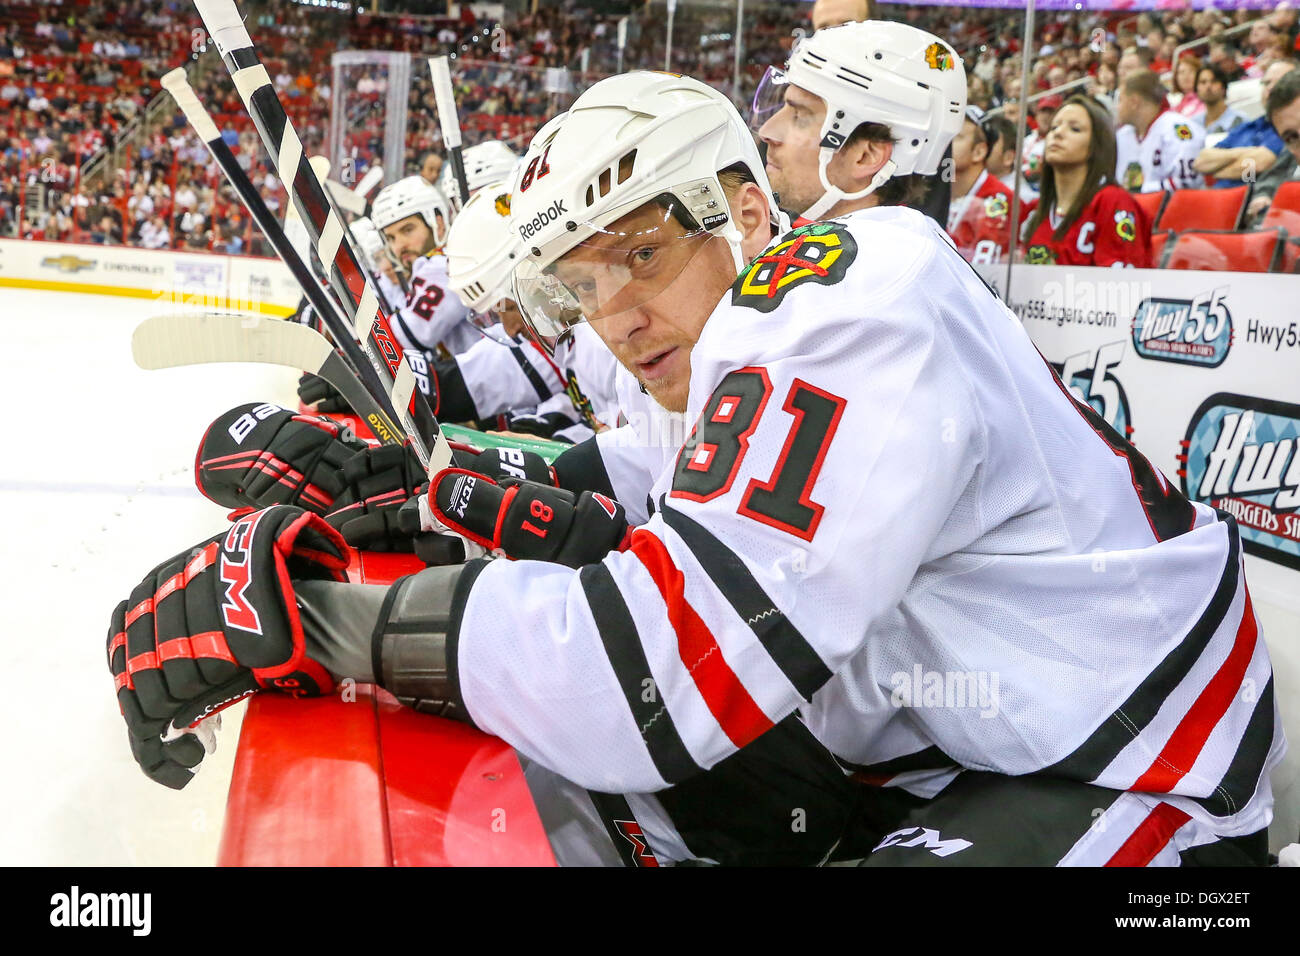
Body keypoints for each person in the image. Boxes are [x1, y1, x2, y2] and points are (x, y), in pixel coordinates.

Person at [110, 25, 1281, 867]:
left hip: (1130, 761)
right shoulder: (735, 331)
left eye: (644, 253)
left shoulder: (853, 283)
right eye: (585, 280)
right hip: (960, 737)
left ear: (745, 209)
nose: (614, 311)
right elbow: (626, 495)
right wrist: (410, 499)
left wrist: (324, 619)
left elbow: (663, 662)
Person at [1023, 95, 1153, 268]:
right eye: (1054, 127)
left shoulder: (1114, 202)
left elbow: (1122, 287)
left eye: (1075, 129)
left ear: (1096, 146)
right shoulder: (1035, 211)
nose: (1058, 133)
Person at [367, 174, 478, 357]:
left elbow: (403, 339)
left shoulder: (444, 265)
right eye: (391, 238)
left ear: (438, 223)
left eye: (407, 230)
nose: (399, 246)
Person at [1194, 59, 1297, 188]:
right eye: (1266, 83)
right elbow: (1201, 162)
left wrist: (1217, 170)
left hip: (1248, 199)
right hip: (1215, 197)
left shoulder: (1289, 129)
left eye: (1280, 82)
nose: (1270, 88)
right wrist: (1248, 152)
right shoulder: (1248, 126)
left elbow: (1260, 164)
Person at [946, 106, 1017, 264]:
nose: (945, 142)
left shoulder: (1001, 198)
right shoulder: (931, 190)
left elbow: (985, 268)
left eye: (956, 136)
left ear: (979, 152)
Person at [1114, 69, 1205, 192]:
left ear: (1134, 102)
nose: (1116, 107)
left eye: (1120, 100)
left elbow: (1188, 182)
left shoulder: (1179, 129)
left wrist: (1140, 191)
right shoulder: (1122, 135)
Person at [1197, 63, 1246, 143]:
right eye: (1203, 82)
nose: (1208, 86)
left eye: (1214, 81)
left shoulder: (1240, 119)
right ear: (1197, 89)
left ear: (1223, 87)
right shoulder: (1193, 123)